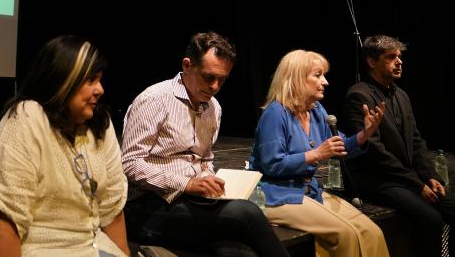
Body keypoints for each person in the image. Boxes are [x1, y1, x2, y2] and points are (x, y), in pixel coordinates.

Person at [0, 35, 130, 257]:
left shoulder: (100, 125)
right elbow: (4, 224)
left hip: (91, 248)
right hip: (34, 249)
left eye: (100, 79)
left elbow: (111, 208)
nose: (100, 89)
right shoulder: (28, 118)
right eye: (90, 80)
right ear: (63, 80)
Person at [121, 31, 288, 256]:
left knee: (237, 252)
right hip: (148, 207)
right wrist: (186, 183)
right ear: (187, 65)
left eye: (222, 79)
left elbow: (205, 158)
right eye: (209, 77)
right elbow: (130, 164)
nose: (216, 86)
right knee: (246, 214)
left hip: (191, 203)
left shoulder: (213, 108)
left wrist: (208, 178)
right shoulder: (154, 100)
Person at [249, 49, 389, 257]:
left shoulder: (316, 110)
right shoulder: (275, 113)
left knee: (372, 231)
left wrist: (364, 134)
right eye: (318, 75)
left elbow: (339, 145)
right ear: (296, 77)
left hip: (309, 190)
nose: (325, 82)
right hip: (278, 194)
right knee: (345, 234)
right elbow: (273, 165)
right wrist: (317, 154)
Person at [343, 35, 455, 257]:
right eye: (391, 57)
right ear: (372, 62)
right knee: (431, 218)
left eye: (400, 57)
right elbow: (375, 153)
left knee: (451, 205)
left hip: (402, 177)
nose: (399, 62)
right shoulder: (359, 95)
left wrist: (429, 176)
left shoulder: (401, 94)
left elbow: (415, 140)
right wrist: (416, 184)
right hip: (377, 179)